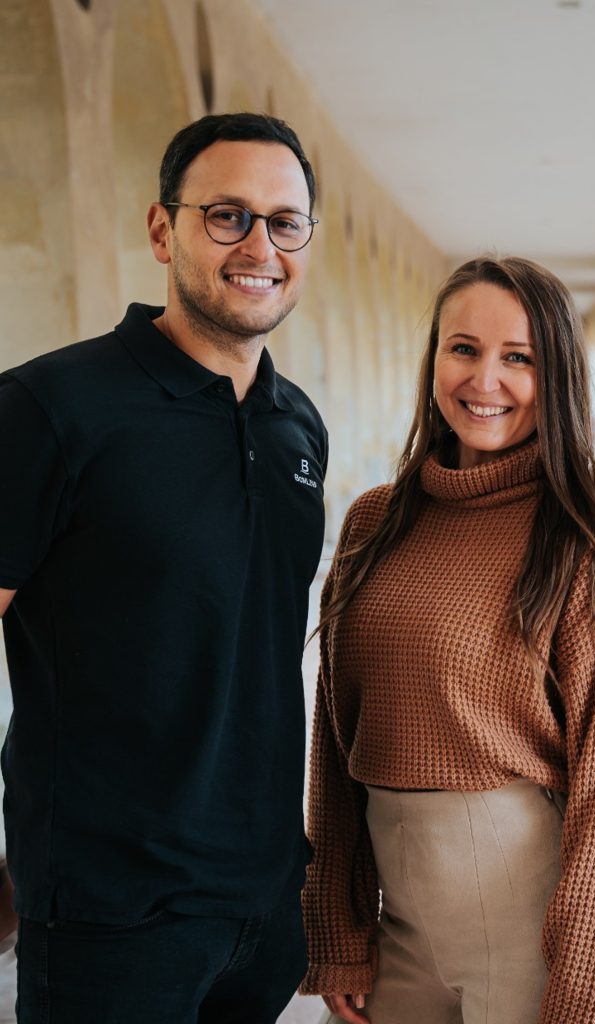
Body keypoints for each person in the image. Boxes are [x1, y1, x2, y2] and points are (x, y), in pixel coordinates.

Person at [0, 112, 327, 1022]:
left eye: (285, 221)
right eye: (227, 215)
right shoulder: (49, 406)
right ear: (162, 230)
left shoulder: (296, 424)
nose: (259, 245)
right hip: (113, 915)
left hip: (264, 902)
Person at [300, 256, 595, 1024]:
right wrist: (336, 928)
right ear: (434, 355)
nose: (484, 380)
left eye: (518, 358)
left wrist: (589, 998)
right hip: (396, 918)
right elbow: (333, 743)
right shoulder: (374, 522)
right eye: (463, 348)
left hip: (525, 919)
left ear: (556, 374)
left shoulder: (586, 539)